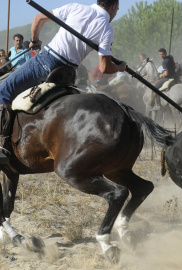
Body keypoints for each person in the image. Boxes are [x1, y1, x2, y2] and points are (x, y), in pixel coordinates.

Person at [0, 0, 126, 161]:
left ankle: (3, 147)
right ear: (114, 7)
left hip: (45, 63)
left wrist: (35, 40)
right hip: (66, 74)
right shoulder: (107, 29)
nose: (115, 14)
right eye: (117, 10)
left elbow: (38, 19)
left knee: (3, 89)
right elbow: (105, 67)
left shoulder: (76, 7)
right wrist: (120, 68)